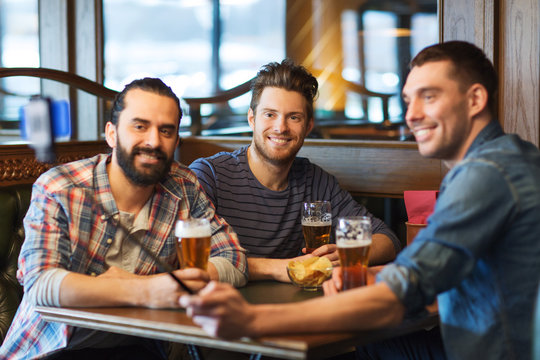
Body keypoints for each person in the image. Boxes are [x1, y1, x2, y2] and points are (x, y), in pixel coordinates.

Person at [181, 41, 540, 360]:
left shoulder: (486, 176)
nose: (411, 114)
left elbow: (398, 294)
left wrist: (253, 319)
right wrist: (366, 277)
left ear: (475, 99)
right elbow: (420, 272)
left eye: (428, 97)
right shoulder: (513, 159)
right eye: (407, 100)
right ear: (252, 119)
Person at [0, 78, 247, 360]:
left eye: (166, 131)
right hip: (52, 349)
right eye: (140, 126)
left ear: (177, 141)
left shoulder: (183, 185)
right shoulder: (60, 187)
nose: (154, 141)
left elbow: (234, 258)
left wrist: (185, 281)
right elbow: (41, 284)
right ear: (112, 134)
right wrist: (145, 290)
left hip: (139, 347)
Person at [190, 59, 400, 282]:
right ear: (252, 119)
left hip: (298, 309)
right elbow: (195, 260)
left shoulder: (317, 182)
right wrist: (279, 268)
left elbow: (387, 240)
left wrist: (348, 254)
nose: (281, 127)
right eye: (270, 114)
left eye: (294, 117)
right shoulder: (210, 175)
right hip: (221, 309)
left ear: (308, 126)